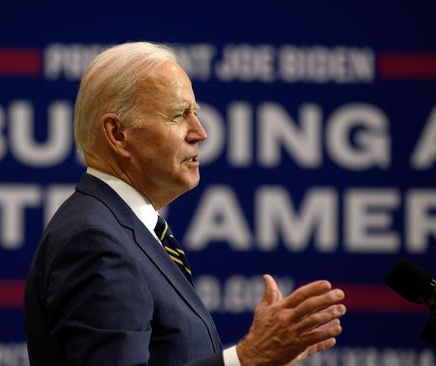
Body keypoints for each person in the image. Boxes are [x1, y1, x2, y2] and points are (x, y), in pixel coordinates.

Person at [24, 42, 346, 366]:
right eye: (179, 115)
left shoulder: (126, 231)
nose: (201, 133)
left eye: (196, 113)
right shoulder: (95, 241)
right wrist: (247, 359)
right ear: (118, 134)